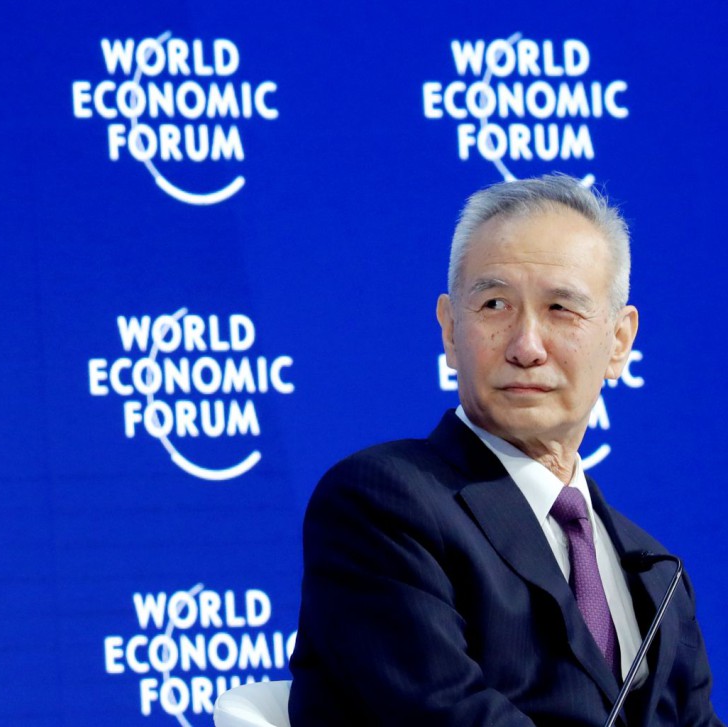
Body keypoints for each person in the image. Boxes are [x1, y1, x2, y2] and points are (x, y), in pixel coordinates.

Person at [288, 175, 722, 726]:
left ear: (619, 342)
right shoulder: (383, 505)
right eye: (495, 305)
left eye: (561, 308)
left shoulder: (657, 573)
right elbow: (446, 716)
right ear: (450, 330)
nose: (526, 346)